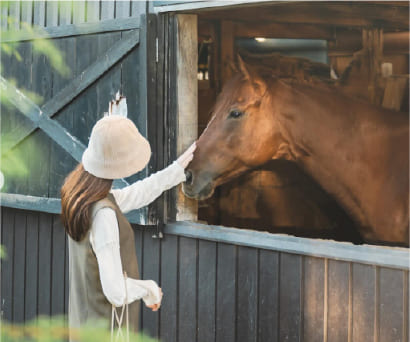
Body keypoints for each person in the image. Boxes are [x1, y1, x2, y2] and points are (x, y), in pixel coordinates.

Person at [61, 114, 196, 339]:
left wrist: (176, 170)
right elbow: (115, 291)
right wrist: (150, 289)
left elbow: (136, 194)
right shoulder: (103, 214)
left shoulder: (82, 197)